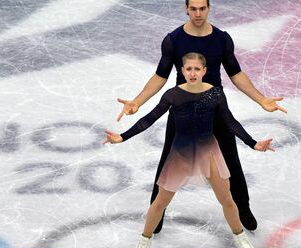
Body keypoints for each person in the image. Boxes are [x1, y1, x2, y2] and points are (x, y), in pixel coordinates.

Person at [116, 0, 286, 233]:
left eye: (202, 8)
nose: (198, 13)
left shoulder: (222, 39)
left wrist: (261, 99)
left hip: (214, 107)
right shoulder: (173, 40)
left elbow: (236, 73)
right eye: (193, 8)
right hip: (182, 110)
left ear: (209, 8)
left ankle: (242, 207)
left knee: (231, 160)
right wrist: (138, 101)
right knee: (167, 161)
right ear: (186, 8)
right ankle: (157, 213)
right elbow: (160, 76)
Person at [104, 53, 274, 248]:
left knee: (228, 200)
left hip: (208, 152)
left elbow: (230, 122)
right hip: (181, 153)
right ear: (182, 71)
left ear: (204, 71)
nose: (192, 73)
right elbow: (149, 118)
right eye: (188, 69)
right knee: (160, 203)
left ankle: (240, 238)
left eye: (197, 69)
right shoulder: (173, 95)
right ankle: (144, 241)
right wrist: (122, 137)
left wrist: (253, 143)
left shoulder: (216, 94)